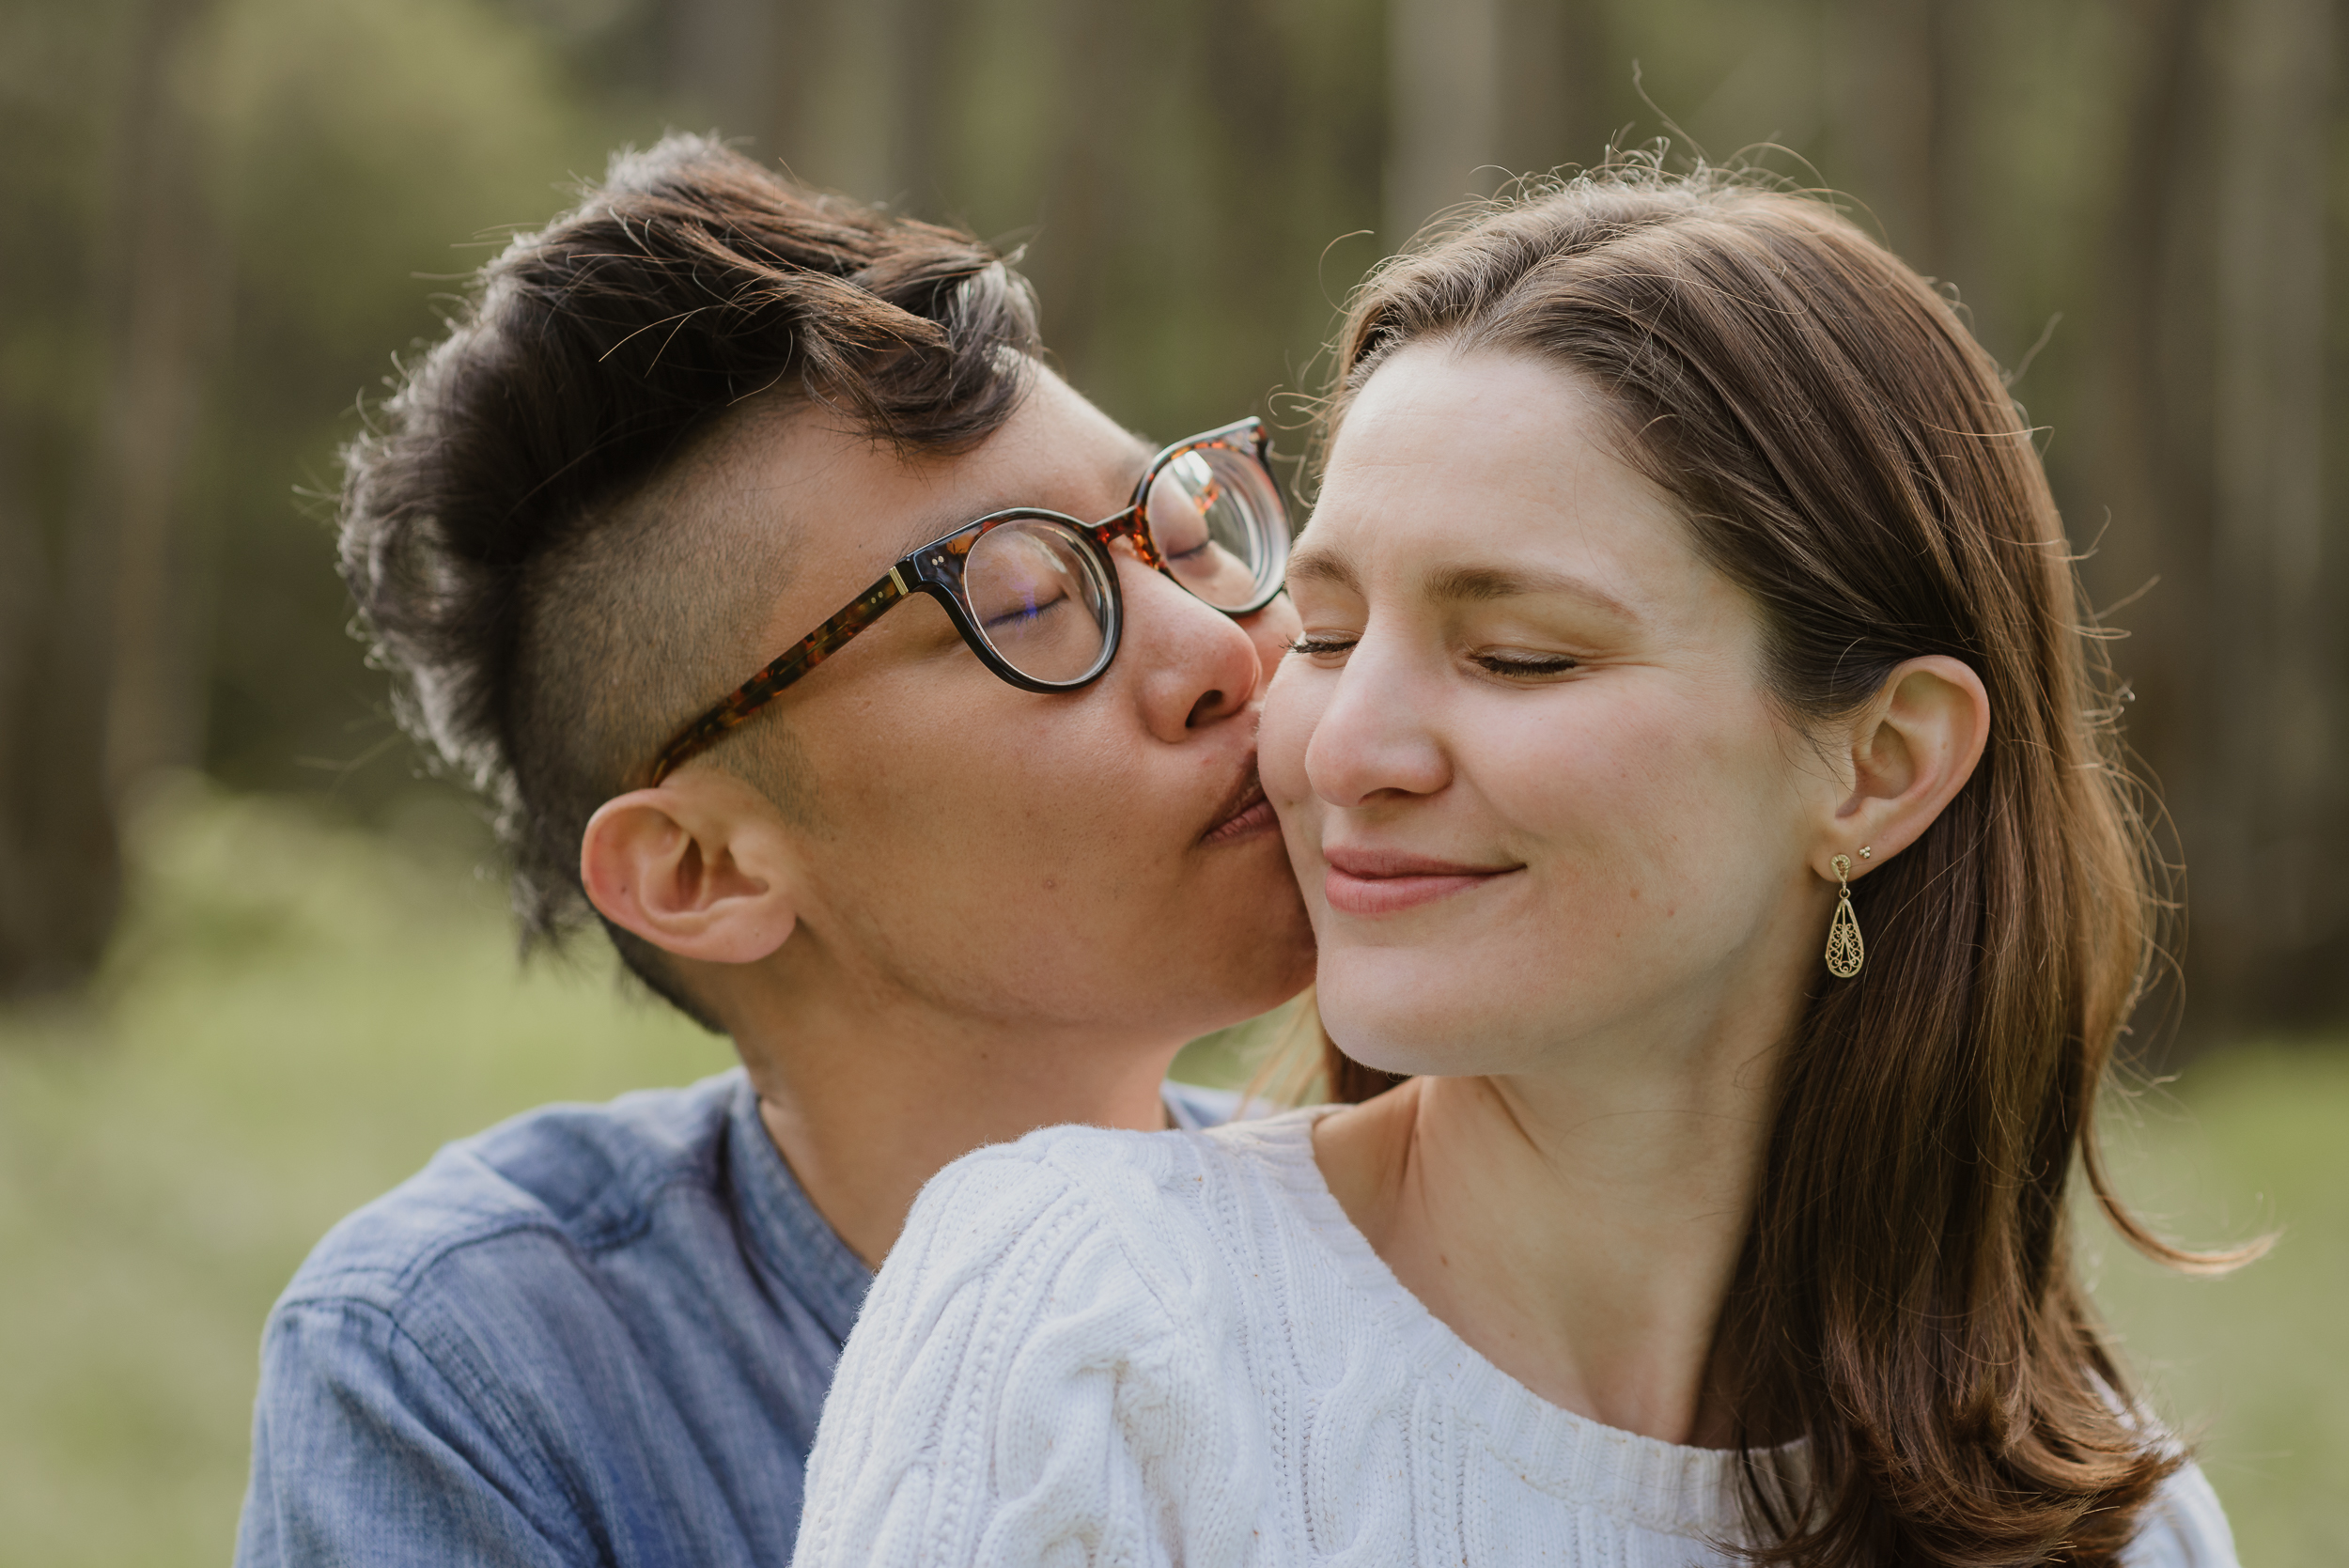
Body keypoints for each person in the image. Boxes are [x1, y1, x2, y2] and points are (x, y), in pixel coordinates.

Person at [793, 169, 2243, 1567]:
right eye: (1326, 632)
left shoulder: (2115, 1533)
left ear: (1881, 763)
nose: (1339, 747)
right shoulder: (1082, 1329)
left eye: (1517, 654)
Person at [231, 133, 1316, 1567]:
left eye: (1174, 529)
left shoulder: (1431, 1254)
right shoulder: (470, 1371)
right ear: (702, 869)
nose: (1217, 650)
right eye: (1020, 601)